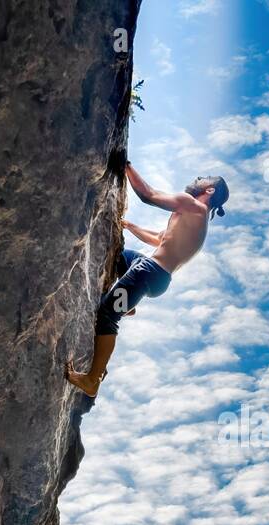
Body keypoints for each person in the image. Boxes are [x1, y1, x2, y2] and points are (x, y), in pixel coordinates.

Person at [65, 162, 230, 398]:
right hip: (157, 277)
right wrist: (130, 226)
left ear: (210, 190)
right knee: (119, 255)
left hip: (148, 272)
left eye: (204, 178)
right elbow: (159, 239)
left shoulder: (193, 205)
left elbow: (148, 195)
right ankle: (127, 303)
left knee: (107, 315)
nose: (198, 177)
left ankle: (93, 380)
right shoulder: (196, 219)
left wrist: (126, 166)